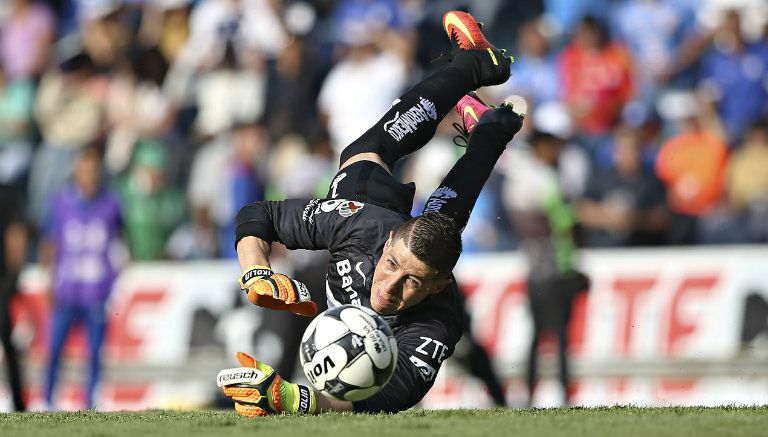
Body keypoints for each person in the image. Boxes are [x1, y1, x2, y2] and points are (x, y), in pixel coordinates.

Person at [216, 11, 522, 415]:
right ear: (391, 244)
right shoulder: (362, 224)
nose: (390, 285)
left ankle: (491, 125)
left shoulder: (438, 320)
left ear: (437, 286)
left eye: (412, 280)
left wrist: (294, 399)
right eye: (393, 264)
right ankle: (476, 73)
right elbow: (259, 214)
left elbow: (392, 395)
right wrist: (256, 271)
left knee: (446, 219)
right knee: (364, 156)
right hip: (373, 212)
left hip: (417, 250)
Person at [502, 129, 588, 407]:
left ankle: (529, 396)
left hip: (540, 264)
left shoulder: (523, 177)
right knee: (557, 335)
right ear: (541, 148)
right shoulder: (543, 177)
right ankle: (560, 396)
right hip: (552, 264)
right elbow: (559, 219)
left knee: (539, 335)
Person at [43, 146, 123, 410]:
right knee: (54, 350)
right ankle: (48, 401)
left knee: (94, 354)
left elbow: (121, 246)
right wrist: (49, 281)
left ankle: (90, 403)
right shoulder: (61, 203)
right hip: (67, 290)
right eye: (85, 169)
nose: (90, 175)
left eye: (94, 170)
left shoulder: (111, 204)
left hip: (96, 292)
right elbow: (50, 244)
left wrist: (113, 282)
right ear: (76, 172)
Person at [0, 185, 27, 411]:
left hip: (1, 284)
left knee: (9, 348)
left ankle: (19, 405)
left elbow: (17, 236)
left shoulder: (7, 195)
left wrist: (12, 278)